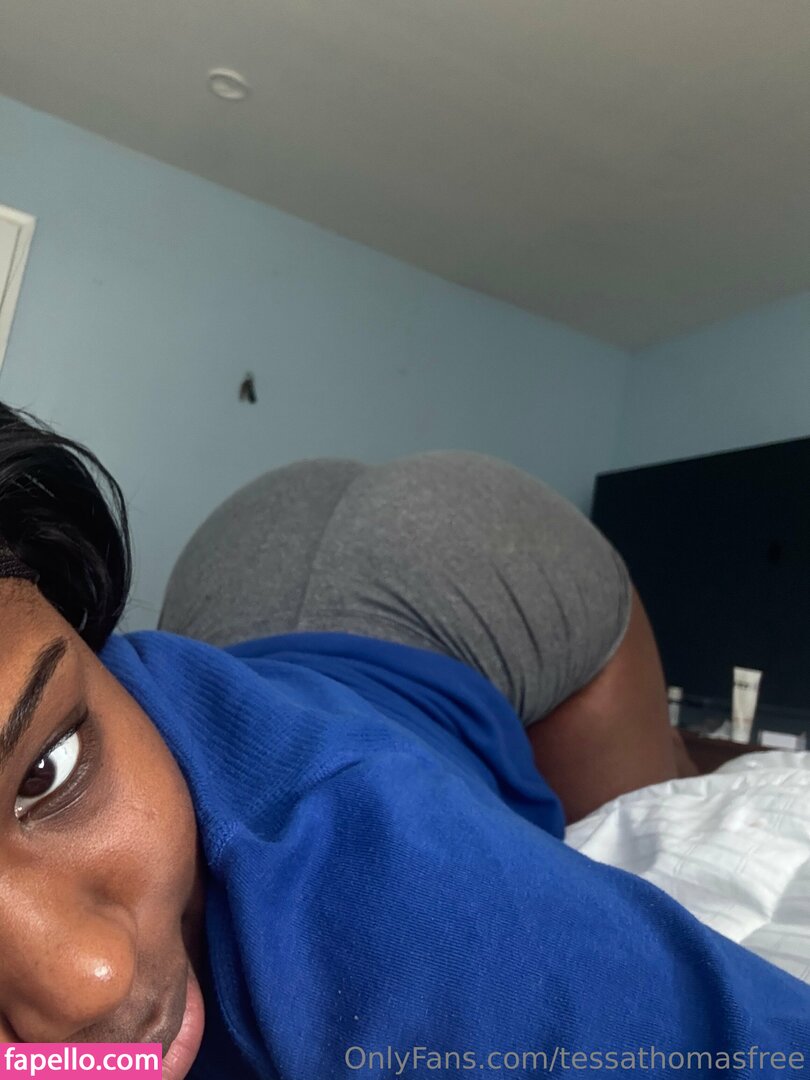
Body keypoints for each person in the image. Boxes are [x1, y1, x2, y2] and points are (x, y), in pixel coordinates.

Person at [0, 400, 807, 1080]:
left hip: (480, 568)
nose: (90, 981)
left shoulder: (393, 899)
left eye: (44, 771)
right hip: (243, 567)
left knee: (659, 799)